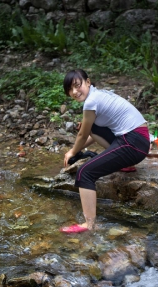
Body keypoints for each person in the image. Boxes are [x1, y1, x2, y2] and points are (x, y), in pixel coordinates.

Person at [61, 69, 150, 233]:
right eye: (70, 90)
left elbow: (82, 134)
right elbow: (91, 133)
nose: (74, 92)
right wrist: (76, 149)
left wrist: (72, 152)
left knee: (85, 173)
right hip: (139, 140)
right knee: (92, 126)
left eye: (77, 85)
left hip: (133, 141)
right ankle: (124, 162)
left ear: (88, 82)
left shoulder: (91, 102)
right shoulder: (98, 95)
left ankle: (89, 224)